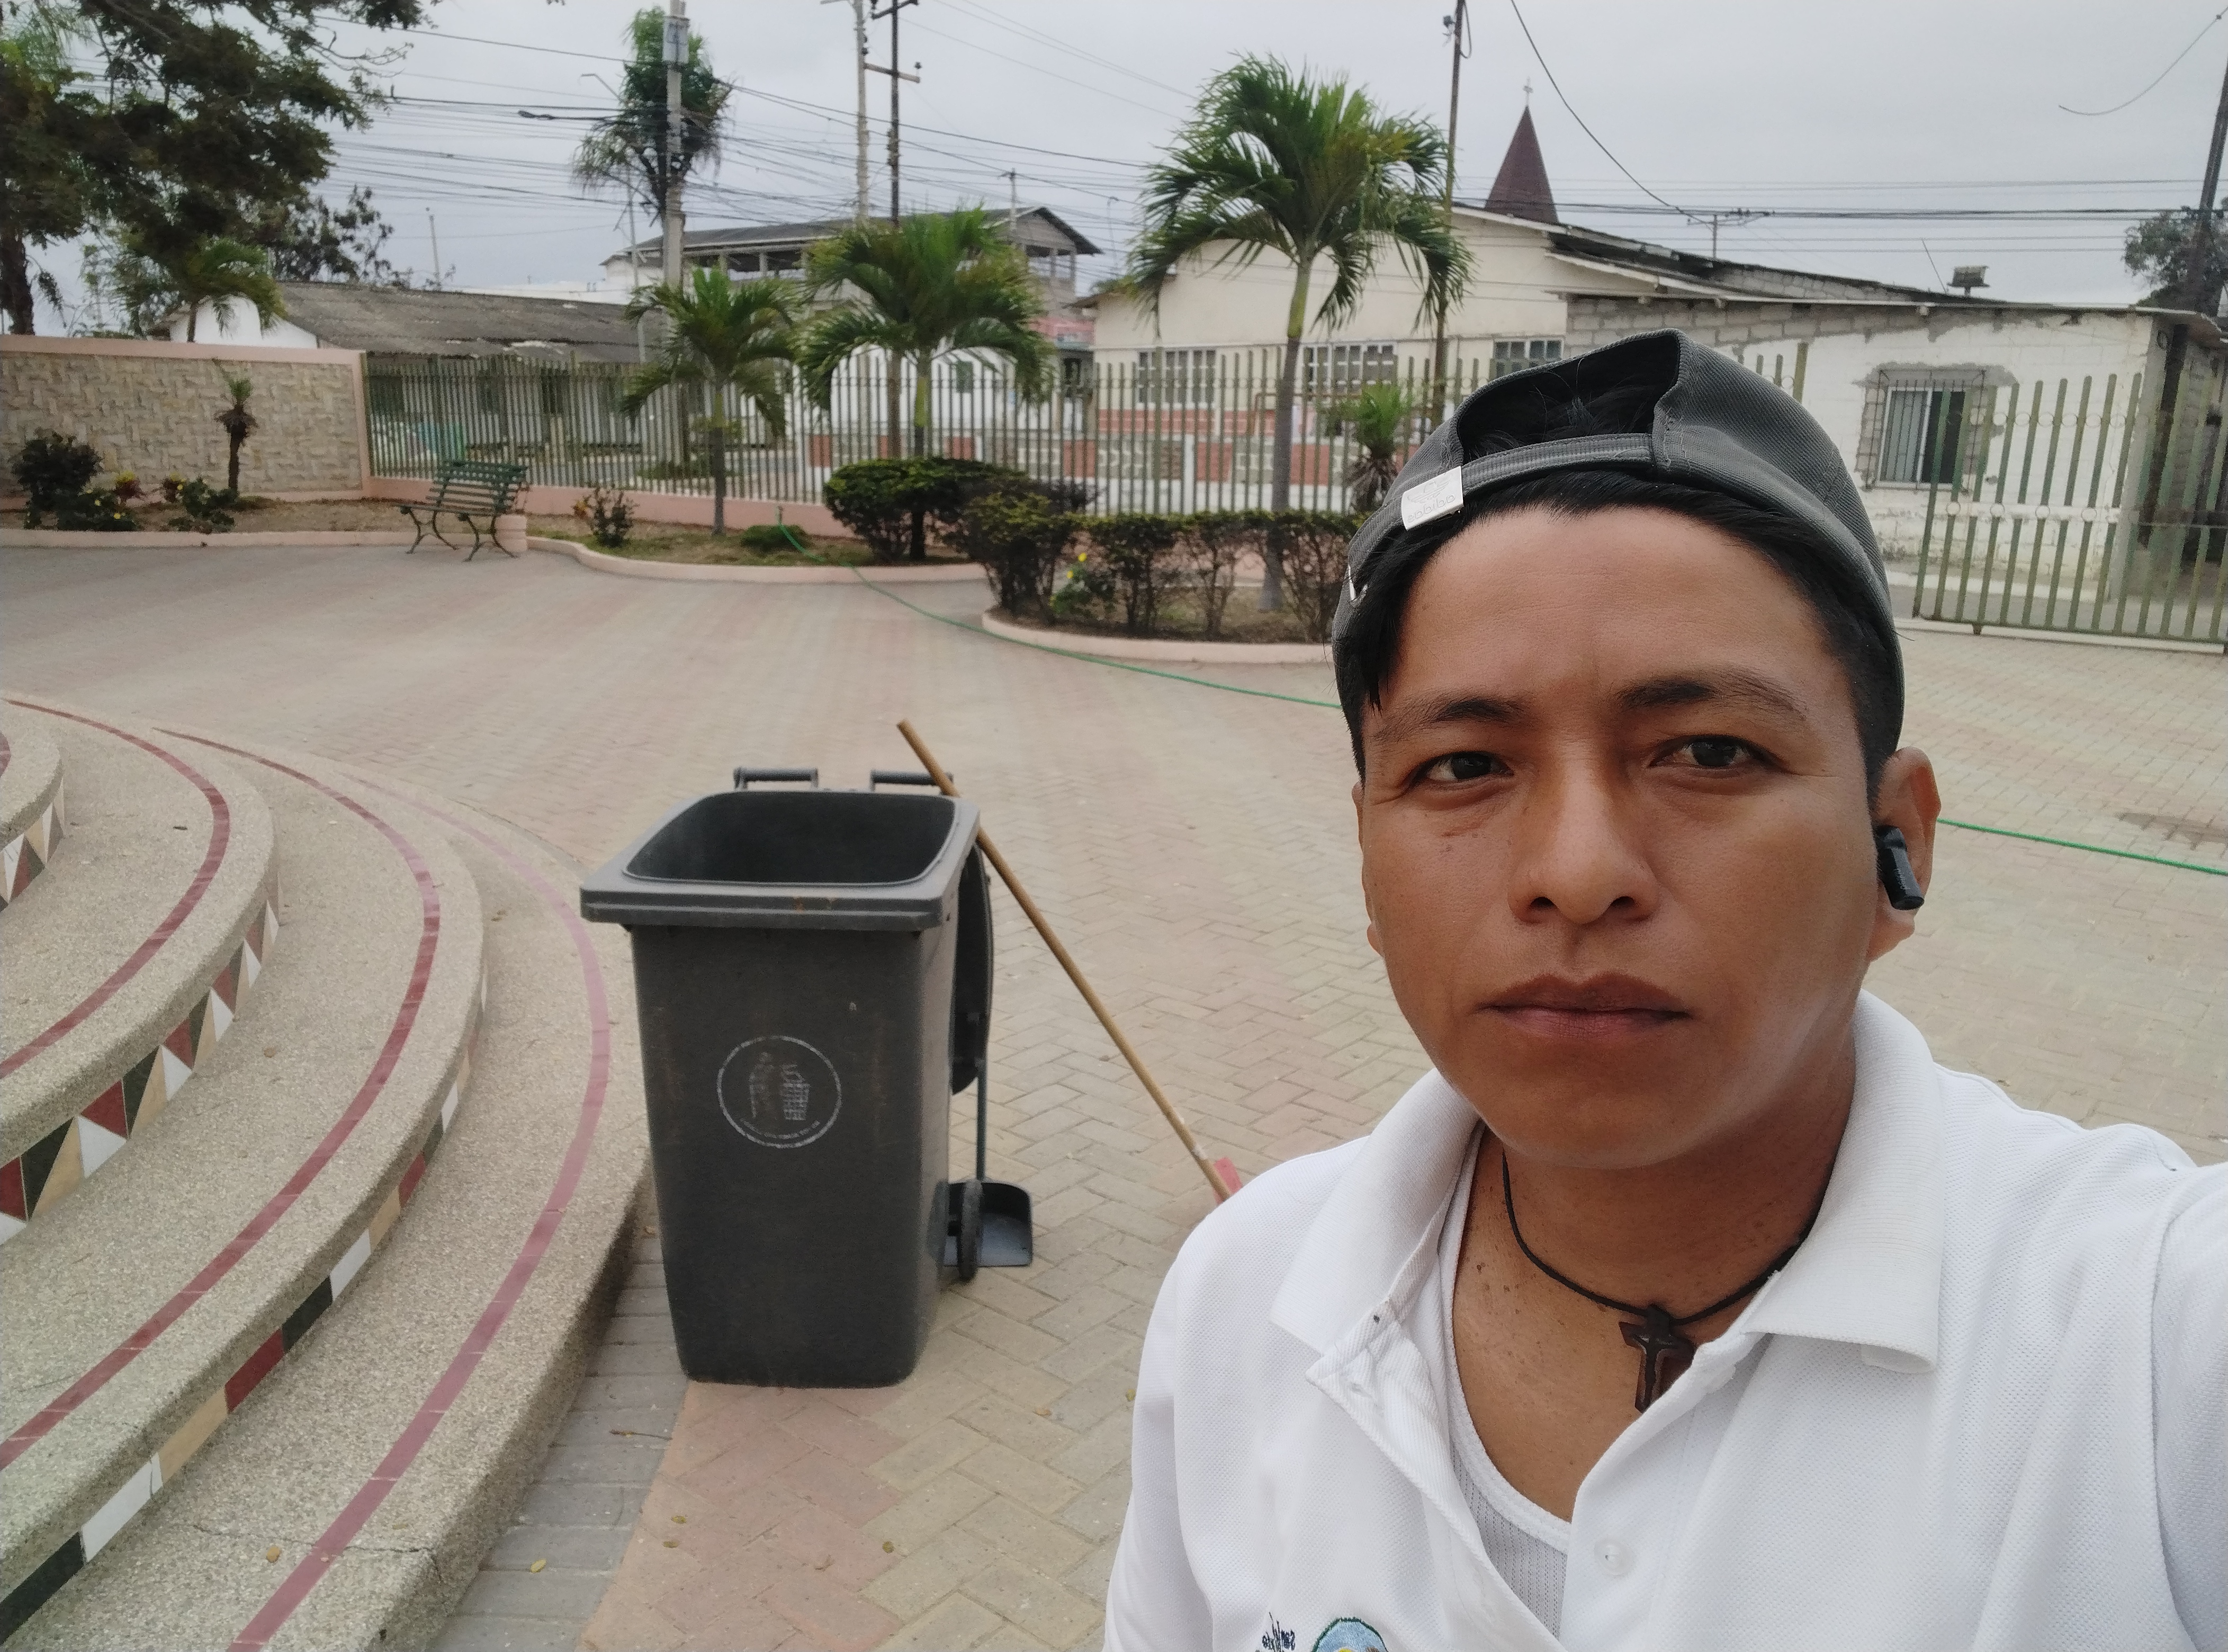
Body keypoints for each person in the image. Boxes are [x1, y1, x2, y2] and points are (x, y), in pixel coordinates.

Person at [1102, 330, 2224, 1652]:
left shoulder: (2150, 1346)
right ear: (1366, 855)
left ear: (1895, 847)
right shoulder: (1246, 1296)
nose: (1576, 875)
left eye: (1707, 752)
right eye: (1462, 768)